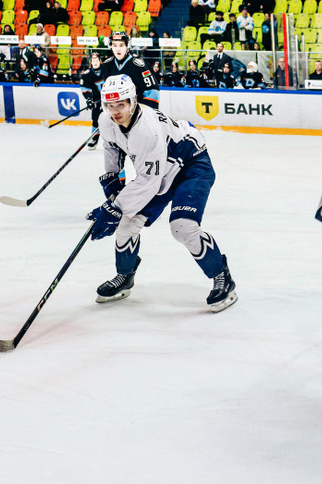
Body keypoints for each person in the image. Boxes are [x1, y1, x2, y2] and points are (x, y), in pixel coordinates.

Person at [87, 74, 237, 311]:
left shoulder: (147, 131)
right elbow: (111, 145)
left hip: (190, 164)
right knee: (127, 223)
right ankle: (125, 276)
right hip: (159, 169)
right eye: (109, 105)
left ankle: (222, 276)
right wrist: (112, 177)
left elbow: (149, 182)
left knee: (183, 227)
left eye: (121, 105)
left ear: (133, 102)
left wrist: (114, 208)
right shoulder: (106, 120)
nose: (115, 111)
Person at [101, 31, 160, 108]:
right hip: (115, 112)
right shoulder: (107, 65)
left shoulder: (139, 66)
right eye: (114, 45)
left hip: (137, 112)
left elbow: (153, 91)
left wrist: (146, 112)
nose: (118, 49)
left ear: (127, 46)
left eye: (121, 45)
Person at [80, 50, 107, 148]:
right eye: (93, 60)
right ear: (91, 61)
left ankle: (115, 140)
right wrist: (89, 99)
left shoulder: (106, 69)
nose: (95, 61)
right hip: (96, 100)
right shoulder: (87, 75)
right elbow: (84, 89)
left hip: (109, 100)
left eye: (97, 59)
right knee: (96, 120)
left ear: (100, 61)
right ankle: (95, 138)